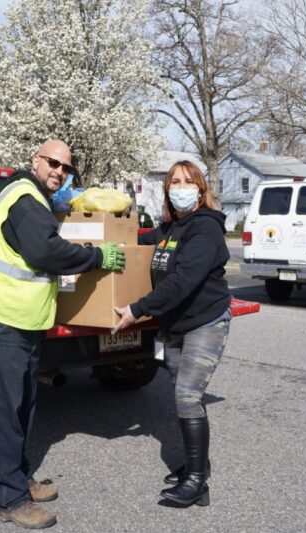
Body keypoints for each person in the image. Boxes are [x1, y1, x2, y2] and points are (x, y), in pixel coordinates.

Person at [0, 139, 126, 529]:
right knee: (4, 412)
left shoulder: (36, 199)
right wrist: (96, 256)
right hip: (0, 320)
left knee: (22, 407)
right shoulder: (24, 199)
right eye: (53, 163)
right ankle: (8, 499)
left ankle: (19, 479)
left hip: (23, 321)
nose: (59, 171)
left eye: (66, 167)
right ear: (35, 160)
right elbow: (46, 252)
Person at [113, 160, 231, 507]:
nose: (180, 187)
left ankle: (197, 482)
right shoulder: (168, 229)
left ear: (200, 189)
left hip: (205, 322)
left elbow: (184, 281)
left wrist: (137, 309)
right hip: (174, 325)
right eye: (174, 182)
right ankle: (196, 464)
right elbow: (137, 240)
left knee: (187, 396)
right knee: (182, 396)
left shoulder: (205, 230)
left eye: (187, 181)